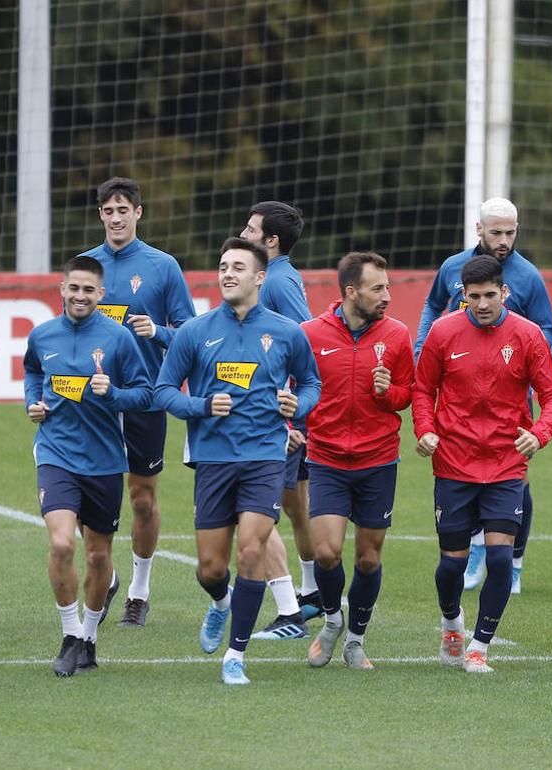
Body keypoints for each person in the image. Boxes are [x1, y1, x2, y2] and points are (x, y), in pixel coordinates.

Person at [155, 237, 321, 685]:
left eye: (238, 267)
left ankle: (235, 654)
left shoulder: (287, 331)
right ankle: (220, 603)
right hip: (212, 459)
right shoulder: (194, 331)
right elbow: (164, 390)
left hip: (266, 457)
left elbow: (311, 384)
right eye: (223, 265)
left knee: (251, 549)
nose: (227, 273)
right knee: (211, 568)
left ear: (259, 277)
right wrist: (202, 406)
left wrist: (296, 404)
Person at [412, 254, 552, 673]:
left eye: (490, 295)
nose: (482, 304)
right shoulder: (443, 333)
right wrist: (424, 429)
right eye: (474, 296)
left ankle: (479, 645)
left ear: (505, 293)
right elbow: (423, 389)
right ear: (463, 295)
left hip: (505, 465)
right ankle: (451, 621)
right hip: (453, 464)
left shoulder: (528, 335)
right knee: (452, 566)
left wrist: (539, 433)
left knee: (499, 560)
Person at [413, 197, 552, 594]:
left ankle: (513, 561)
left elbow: (546, 330)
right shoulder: (452, 268)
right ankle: (475, 548)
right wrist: (422, 347)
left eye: (511, 232)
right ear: (479, 230)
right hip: (462, 384)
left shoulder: (528, 276)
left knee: (513, 480)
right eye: (497, 232)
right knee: (467, 474)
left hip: (511, 390)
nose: (504, 240)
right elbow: (431, 306)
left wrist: (533, 366)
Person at [24, 256, 153, 676]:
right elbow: (31, 372)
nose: (79, 296)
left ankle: (90, 637)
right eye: (73, 288)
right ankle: (69, 634)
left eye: (88, 290)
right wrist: (34, 402)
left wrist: (113, 392)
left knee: (99, 558)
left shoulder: (118, 339)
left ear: (101, 295)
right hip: (56, 454)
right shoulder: (42, 335)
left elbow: (143, 393)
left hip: (103, 462)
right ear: (62, 289)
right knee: (62, 544)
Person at [79, 177, 196, 627]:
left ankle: (139, 590)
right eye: (108, 211)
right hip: (96, 402)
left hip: (145, 399)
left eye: (123, 210)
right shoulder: (87, 265)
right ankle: (105, 575)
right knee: (80, 495)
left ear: (138, 213)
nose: (115, 218)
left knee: (142, 500)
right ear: (101, 216)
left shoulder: (163, 266)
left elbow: (187, 329)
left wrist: (159, 332)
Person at [302, 252, 414, 669]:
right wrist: (295, 419)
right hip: (327, 457)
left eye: (387, 286)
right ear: (351, 292)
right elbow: (295, 386)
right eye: (377, 288)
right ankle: (332, 621)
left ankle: (355, 640)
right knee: (327, 552)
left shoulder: (398, 335)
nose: (387, 296)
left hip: (378, 460)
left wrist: (390, 393)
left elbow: (409, 394)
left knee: (368, 558)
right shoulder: (310, 334)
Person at [238, 201, 321, 640]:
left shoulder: (278, 281)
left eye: (251, 230)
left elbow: (306, 339)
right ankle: (313, 593)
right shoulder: (275, 277)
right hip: (282, 413)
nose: (244, 234)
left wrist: (290, 407)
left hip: (276, 416)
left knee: (258, 510)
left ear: (271, 241)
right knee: (294, 504)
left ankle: (289, 611)